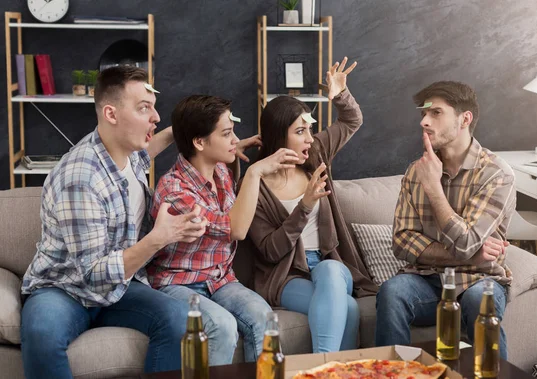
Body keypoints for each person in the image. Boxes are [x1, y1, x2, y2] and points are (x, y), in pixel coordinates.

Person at [20, 66, 206, 378]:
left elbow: (149, 148)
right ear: (111, 114)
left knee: (180, 319)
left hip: (118, 288)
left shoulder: (125, 152)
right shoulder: (80, 178)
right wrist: (159, 237)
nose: (155, 117)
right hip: (66, 288)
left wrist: (191, 127)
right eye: (144, 108)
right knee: (41, 332)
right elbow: (93, 274)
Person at [148, 94, 299, 365]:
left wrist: (230, 148)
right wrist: (256, 172)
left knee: (265, 321)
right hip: (178, 283)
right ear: (199, 142)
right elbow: (236, 229)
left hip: (220, 279)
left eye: (233, 132)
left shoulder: (221, 172)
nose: (234, 140)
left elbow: (217, 159)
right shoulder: (174, 190)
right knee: (221, 326)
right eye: (227, 133)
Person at [375, 81, 516, 359]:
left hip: (481, 279)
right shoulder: (416, 171)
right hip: (427, 280)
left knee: (481, 300)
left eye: (436, 113)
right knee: (392, 292)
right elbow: (402, 242)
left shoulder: (496, 174)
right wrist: (471, 256)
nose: (424, 122)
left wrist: (434, 189)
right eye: (423, 114)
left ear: (465, 119)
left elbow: (466, 243)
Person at [247, 57, 378, 353]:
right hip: (286, 277)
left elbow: (351, 121)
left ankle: (317, 369)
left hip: (330, 265)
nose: (309, 138)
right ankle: (332, 373)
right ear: (279, 135)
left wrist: (340, 94)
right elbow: (270, 250)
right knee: (350, 309)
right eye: (300, 131)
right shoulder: (257, 184)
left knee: (331, 270)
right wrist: (304, 206)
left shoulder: (316, 154)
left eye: (309, 129)